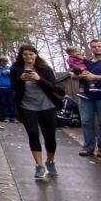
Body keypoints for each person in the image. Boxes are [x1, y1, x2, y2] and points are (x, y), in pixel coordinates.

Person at [11, 44, 64, 180]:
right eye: (26, 54)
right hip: (27, 106)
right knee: (33, 134)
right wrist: (21, 79)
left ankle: (50, 161)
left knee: (50, 135)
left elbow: (53, 87)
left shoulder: (45, 69)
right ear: (21, 56)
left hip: (47, 105)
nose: (29, 57)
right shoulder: (16, 68)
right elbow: (14, 87)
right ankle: (39, 165)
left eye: (31, 54)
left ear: (36, 55)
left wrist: (39, 79)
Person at [0, 56, 18, 123]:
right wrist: (2, 73)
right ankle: (6, 116)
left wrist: (10, 73)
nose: (4, 63)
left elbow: (15, 76)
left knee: (11, 102)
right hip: (0, 88)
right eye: (3, 61)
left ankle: (13, 116)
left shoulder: (10, 68)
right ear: (0, 62)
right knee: (3, 103)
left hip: (10, 88)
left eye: (6, 61)